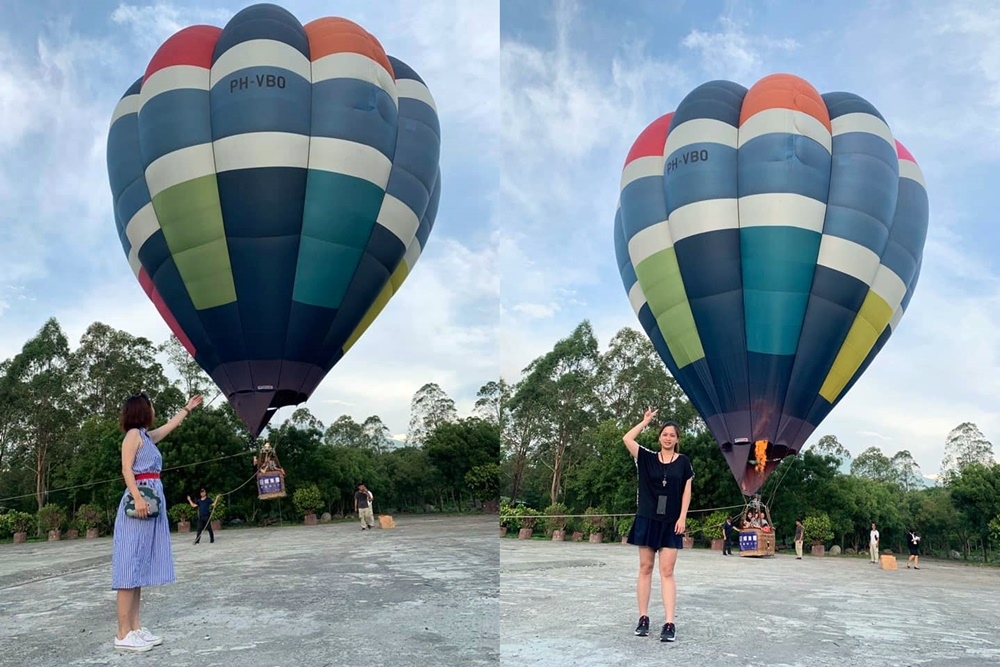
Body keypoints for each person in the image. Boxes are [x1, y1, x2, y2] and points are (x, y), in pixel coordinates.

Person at [112, 391, 202, 652]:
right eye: (151, 406)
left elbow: (170, 426)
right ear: (142, 409)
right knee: (129, 567)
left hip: (151, 506)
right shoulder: (132, 436)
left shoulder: (146, 437)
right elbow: (127, 469)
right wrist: (138, 498)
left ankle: (135, 628)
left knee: (138, 567)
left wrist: (187, 408)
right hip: (138, 506)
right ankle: (122, 633)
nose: (154, 410)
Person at [622, 407, 694, 643]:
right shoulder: (646, 458)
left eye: (672, 435)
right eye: (665, 434)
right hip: (647, 518)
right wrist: (645, 421)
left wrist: (683, 516)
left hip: (671, 522)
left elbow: (686, 490)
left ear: (677, 439)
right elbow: (627, 439)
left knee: (667, 572)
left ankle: (669, 622)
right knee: (645, 568)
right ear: (659, 437)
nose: (668, 437)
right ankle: (643, 618)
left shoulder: (683, 462)